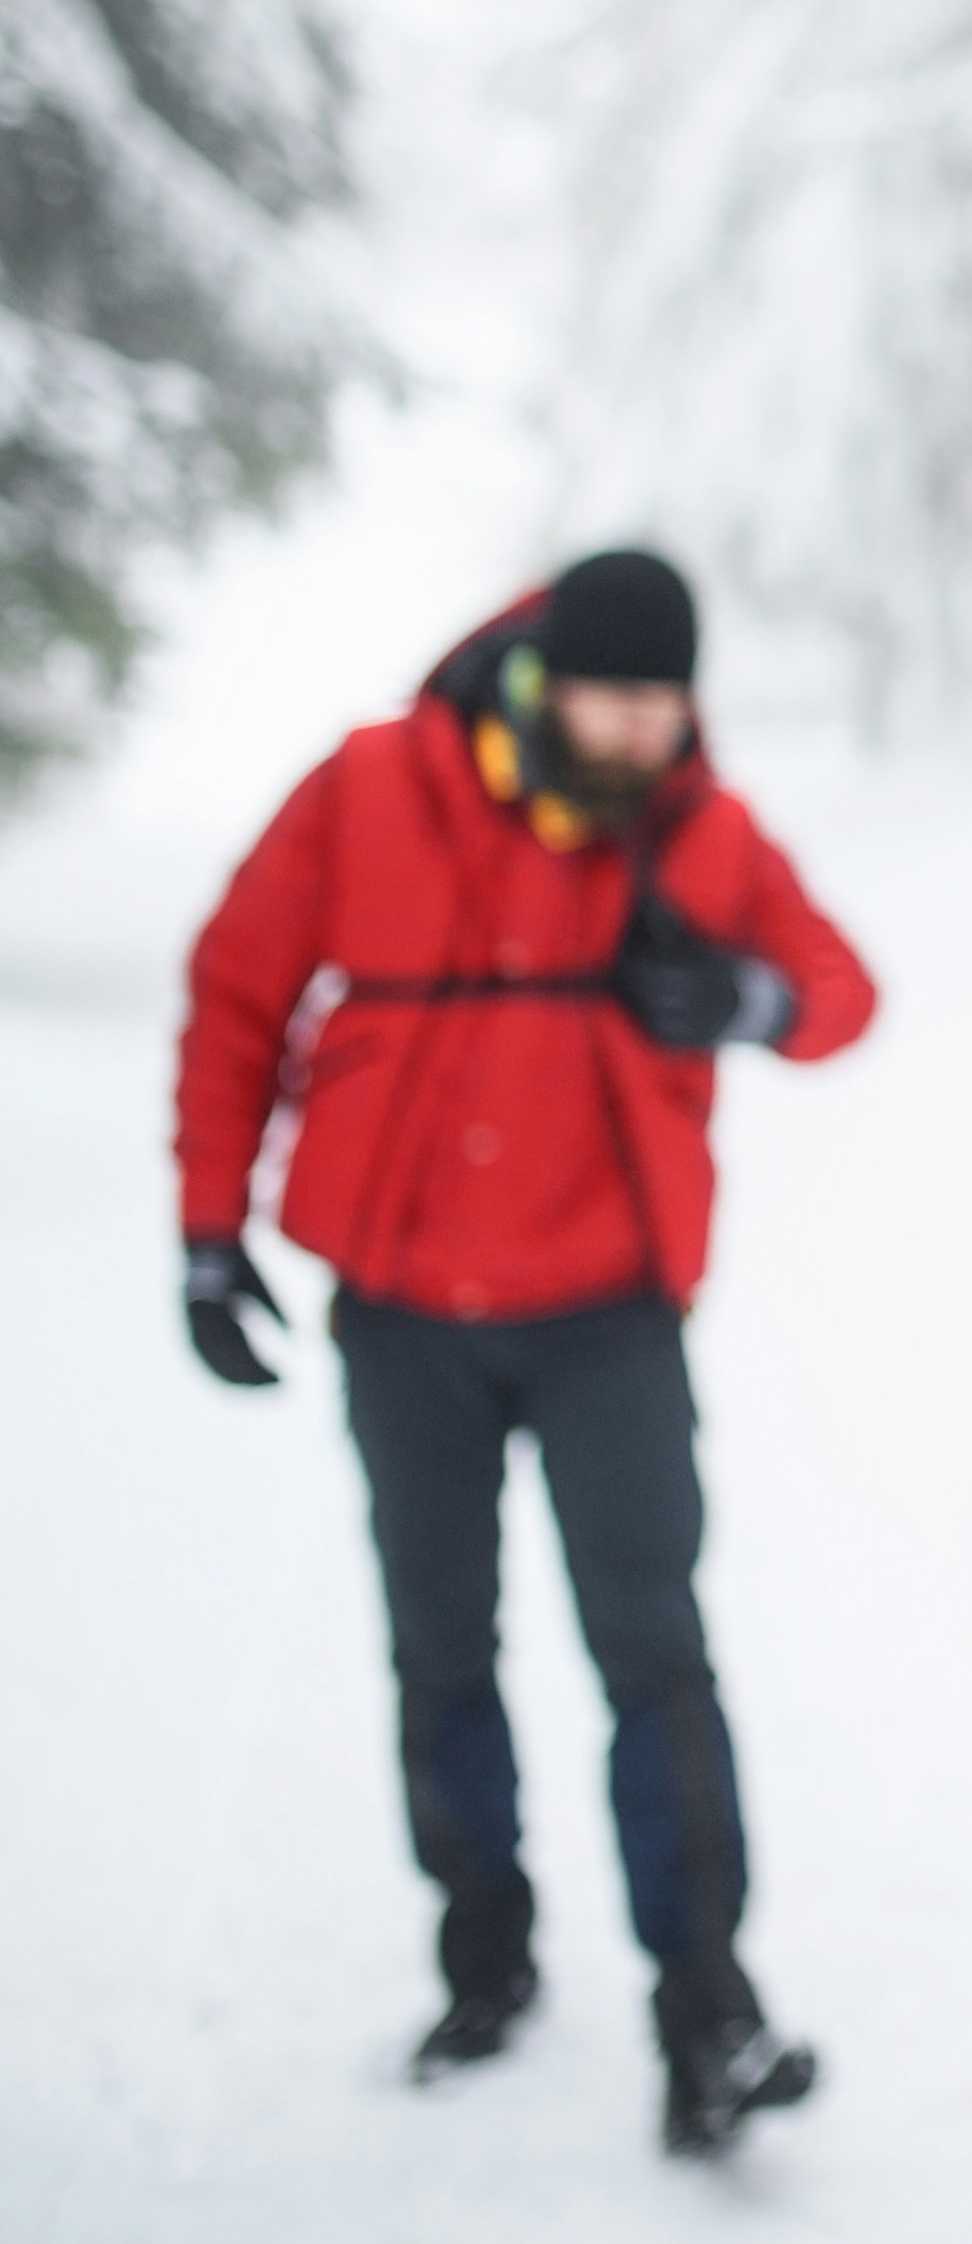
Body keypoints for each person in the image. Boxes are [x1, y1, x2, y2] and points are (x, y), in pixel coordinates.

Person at [174, 548, 876, 2159]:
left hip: (607, 1313)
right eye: (619, 700)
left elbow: (841, 995)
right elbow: (235, 994)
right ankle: (481, 1949)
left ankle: (709, 2007)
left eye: (669, 705)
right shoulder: (370, 790)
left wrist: (745, 997)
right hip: (406, 1312)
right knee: (443, 1643)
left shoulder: (700, 830)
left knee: (654, 1650)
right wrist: (211, 1234)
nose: (646, 736)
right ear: (545, 681)